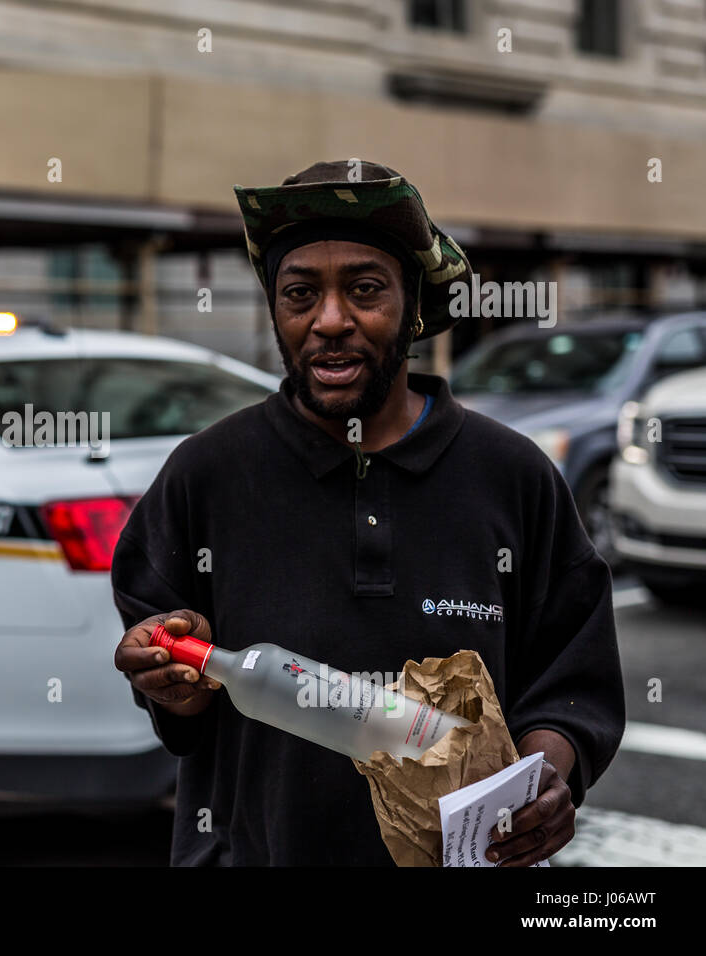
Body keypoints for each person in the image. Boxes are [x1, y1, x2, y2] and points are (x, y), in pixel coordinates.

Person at [110, 160, 625, 866]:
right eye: (299, 293)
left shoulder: (513, 476)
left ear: (412, 306)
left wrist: (545, 780)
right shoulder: (206, 476)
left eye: (364, 290)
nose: (329, 320)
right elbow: (183, 709)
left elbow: (572, 681)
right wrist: (172, 678)